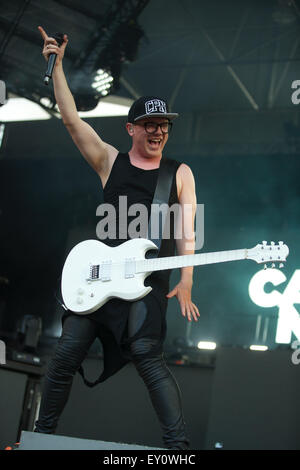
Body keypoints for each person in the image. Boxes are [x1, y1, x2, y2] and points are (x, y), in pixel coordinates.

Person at [35, 26, 200, 450]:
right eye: (149, 124)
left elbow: (186, 231)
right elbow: (72, 119)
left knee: (148, 357)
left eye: (163, 124)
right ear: (131, 129)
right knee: (66, 353)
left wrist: (186, 280)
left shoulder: (178, 174)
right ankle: (41, 438)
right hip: (98, 277)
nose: (158, 130)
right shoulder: (110, 161)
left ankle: (178, 450)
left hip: (144, 284)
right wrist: (57, 67)